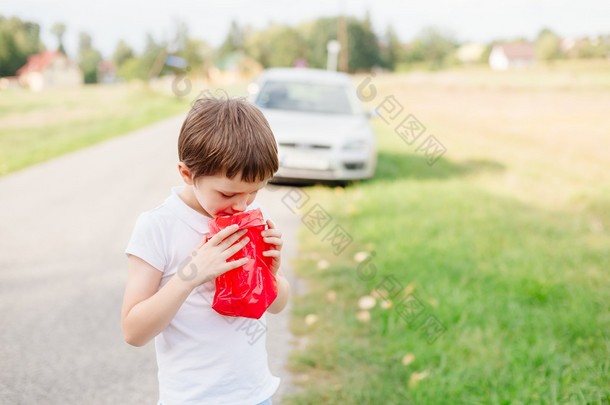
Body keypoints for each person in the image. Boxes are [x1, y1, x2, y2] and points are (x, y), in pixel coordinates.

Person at [122, 96, 290, 405]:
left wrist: (271, 273)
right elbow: (134, 331)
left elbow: (278, 305)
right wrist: (191, 275)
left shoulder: (254, 216)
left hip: (256, 396)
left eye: (254, 192)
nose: (241, 205)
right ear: (186, 174)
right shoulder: (158, 227)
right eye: (228, 193)